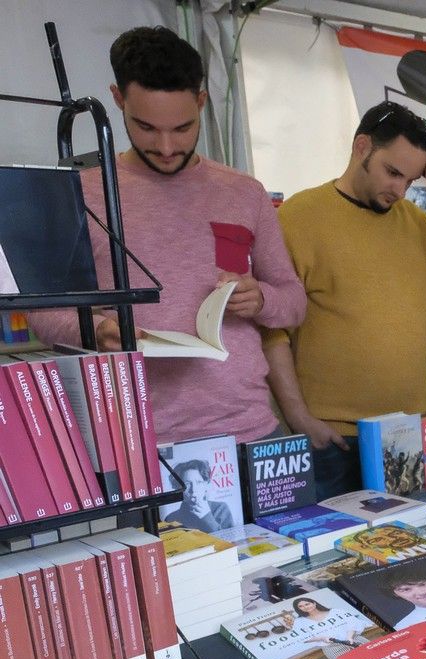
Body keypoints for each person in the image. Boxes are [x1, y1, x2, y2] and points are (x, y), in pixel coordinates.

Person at [29, 26, 306, 445]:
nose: (166, 146)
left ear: (201, 102)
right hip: (133, 440)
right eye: (145, 127)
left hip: (249, 431)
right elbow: (43, 312)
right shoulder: (81, 193)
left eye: (182, 128)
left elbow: (294, 301)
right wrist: (99, 329)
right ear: (118, 99)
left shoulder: (243, 191)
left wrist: (261, 299)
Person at [268, 101, 426, 501]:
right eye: (392, 172)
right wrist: (297, 417)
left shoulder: (414, 222)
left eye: (410, 180)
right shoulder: (299, 216)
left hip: (412, 432)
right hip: (334, 440)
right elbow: (271, 329)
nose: (399, 191)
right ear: (362, 147)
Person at [165, 459, 235, 531]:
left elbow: (230, 540)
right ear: (178, 488)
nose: (194, 490)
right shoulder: (171, 518)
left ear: (206, 484)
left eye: (199, 482)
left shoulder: (220, 509)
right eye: (187, 484)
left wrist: (207, 517)